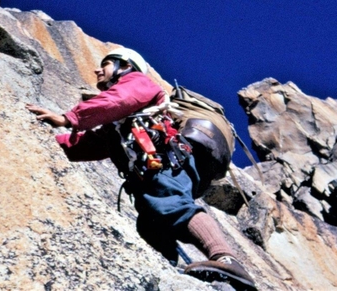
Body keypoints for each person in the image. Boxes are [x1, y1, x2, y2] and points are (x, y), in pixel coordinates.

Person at [26, 48, 256, 289]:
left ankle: (226, 259)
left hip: (166, 162)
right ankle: (174, 278)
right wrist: (46, 141)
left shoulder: (136, 82)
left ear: (124, 66)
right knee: (150, 224)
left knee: (173, 205)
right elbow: (91, 144)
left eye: (105, 64)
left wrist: (68, 118)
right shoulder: (119, 122)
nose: (97, 69)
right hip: (150, 172)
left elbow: (118, 100)